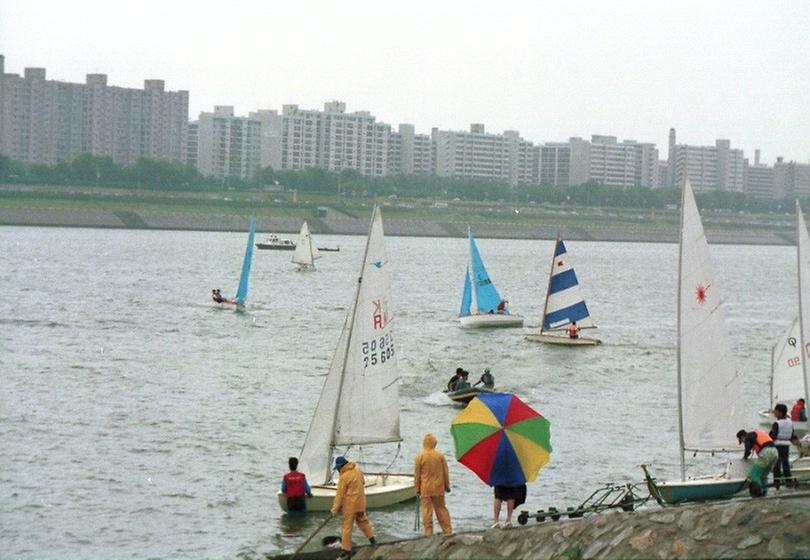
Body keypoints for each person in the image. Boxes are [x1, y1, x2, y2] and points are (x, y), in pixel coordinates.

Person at [330, 456, 376, 558]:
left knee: (347, 527)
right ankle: (373, 541)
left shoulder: (344, 477)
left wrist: (334, 510)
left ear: (341, 466)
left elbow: (339, 495)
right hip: (361, 503)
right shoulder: (358, 470)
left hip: (350, 506)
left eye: (338, 468)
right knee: (363, 522)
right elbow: (363, 482)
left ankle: (346, 550)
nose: (338, 470)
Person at [414, 433, 452, 537]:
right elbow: (445, 472)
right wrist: (447, 486)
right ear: (434, 443)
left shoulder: (419, 457)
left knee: (426, 511)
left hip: (425, 488)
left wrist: (417, 489)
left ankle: (428, 532)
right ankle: (447, 531)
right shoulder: (440, 456)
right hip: (439, 488)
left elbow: (417, 475)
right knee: (441, 509)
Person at [737, 429, 779, 497]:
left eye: (742, 441)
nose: (743, 442)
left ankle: (757, 494)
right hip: (775, 452)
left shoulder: (748, 436)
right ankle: (764, 494)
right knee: (763, 476)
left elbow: (747, 451)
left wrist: (744, 458)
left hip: (766, 452)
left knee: (754, 474)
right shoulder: (756, 434)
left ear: (742, 437)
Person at [769, 404, 795, 489]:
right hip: (786, 445)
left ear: (780, 412)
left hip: (777, 445)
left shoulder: (777, 423)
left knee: (777, 465)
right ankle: (789, 482)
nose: (774, 413)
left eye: (775, 411)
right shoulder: (790, 422)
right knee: (785, 463)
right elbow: (792, 435)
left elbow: (772, 436)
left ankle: (777, 484)